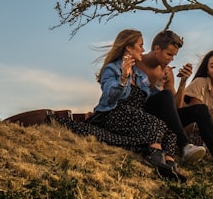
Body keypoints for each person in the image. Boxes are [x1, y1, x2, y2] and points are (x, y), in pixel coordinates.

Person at [135, 30, 213, 181]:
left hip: (164, 117)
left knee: (201, 109)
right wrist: (157, 87)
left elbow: (175, 108)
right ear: (157, 49)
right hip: (141, 113)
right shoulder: (136, 63)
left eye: (174, 56)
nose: (171, 59)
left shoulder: (167, 72)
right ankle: (185, 145)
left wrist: (183, 82)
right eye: (169, 54)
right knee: (164, 95)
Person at [72, 29, 182, 179]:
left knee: (170, 134)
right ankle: (154, 159)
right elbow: (110, 96)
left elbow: (148, 98)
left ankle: (169, 165)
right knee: (157, 125)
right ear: (129, 47)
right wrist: (123, 77)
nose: (143, 49)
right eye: (140, 45)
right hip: (113, 113)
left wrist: (161, 84)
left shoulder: (139, 74)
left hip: (134, 116)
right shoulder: (112, 69)